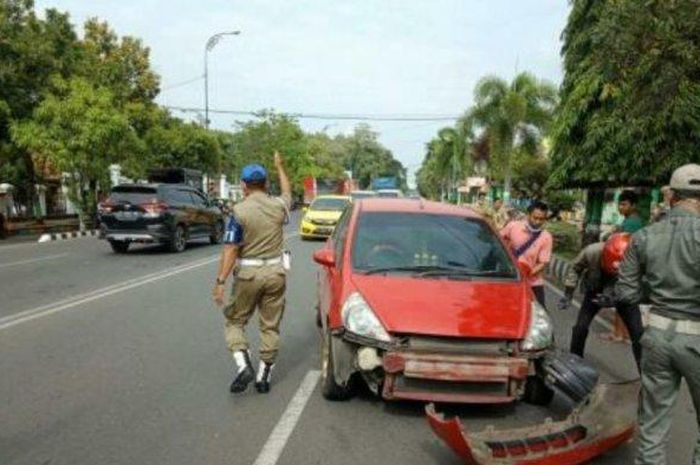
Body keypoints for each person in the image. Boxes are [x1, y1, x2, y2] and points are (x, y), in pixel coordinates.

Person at [615, 164, 700, 465]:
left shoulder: (645, 236)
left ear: (672, 196)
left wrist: (657, 290)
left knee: (652, 430)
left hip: (656, 337)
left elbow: (625, 294)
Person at [212, 152, 292, 394]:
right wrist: (280, 166)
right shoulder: (278, 206)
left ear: (244, 186)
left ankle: (243, 363)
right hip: (276, 273)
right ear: (266, 184)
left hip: (248, 274)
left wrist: (220, 281)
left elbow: (231, 248)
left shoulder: (239, 211)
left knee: (234, 321)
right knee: (270, 326)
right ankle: (263, 376)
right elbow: (287, 193)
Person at [558, 234, 642, 371]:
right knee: (580, 327)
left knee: (638, 334)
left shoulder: (636, 257)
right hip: (595, 289)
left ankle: (646, 376)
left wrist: (615, 299)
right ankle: (574, 362)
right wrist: (568, 294)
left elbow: (639, 284)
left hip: (623, 291)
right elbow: (574, 268)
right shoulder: (592, 251)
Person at [500, 201, 553, 308]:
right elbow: (498, 242)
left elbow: (543, 263)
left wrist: (526, 275)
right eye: (535, 217)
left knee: (540, 313)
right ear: (528, 215)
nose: (537, 222)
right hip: (510, 278)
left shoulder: (546, 237)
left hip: (532, 281)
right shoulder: (513, 226)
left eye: (541, 219)